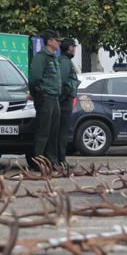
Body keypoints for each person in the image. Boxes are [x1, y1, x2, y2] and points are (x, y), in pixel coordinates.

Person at [29, 30, 62, 167]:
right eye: (57, 40)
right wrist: (38, 93)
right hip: (45, 98)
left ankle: (52, 161)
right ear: (49, 41)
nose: (59, 43)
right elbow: (35, 78)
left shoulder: (54, 57)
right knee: (43, 132)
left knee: (54, 132)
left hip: (54, 98)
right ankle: (38, 162)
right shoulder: (41, 57)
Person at [57, 38, 80, 167]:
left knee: (61, 132)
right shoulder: (65, 62)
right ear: (70, 48)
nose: (75, 50)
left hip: (63, 101)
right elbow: (63, 82)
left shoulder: (63, 61)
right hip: (64, 102)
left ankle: (60, 159)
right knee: (62, 133)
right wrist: (64, 97)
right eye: (74, 47)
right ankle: (61, 160)